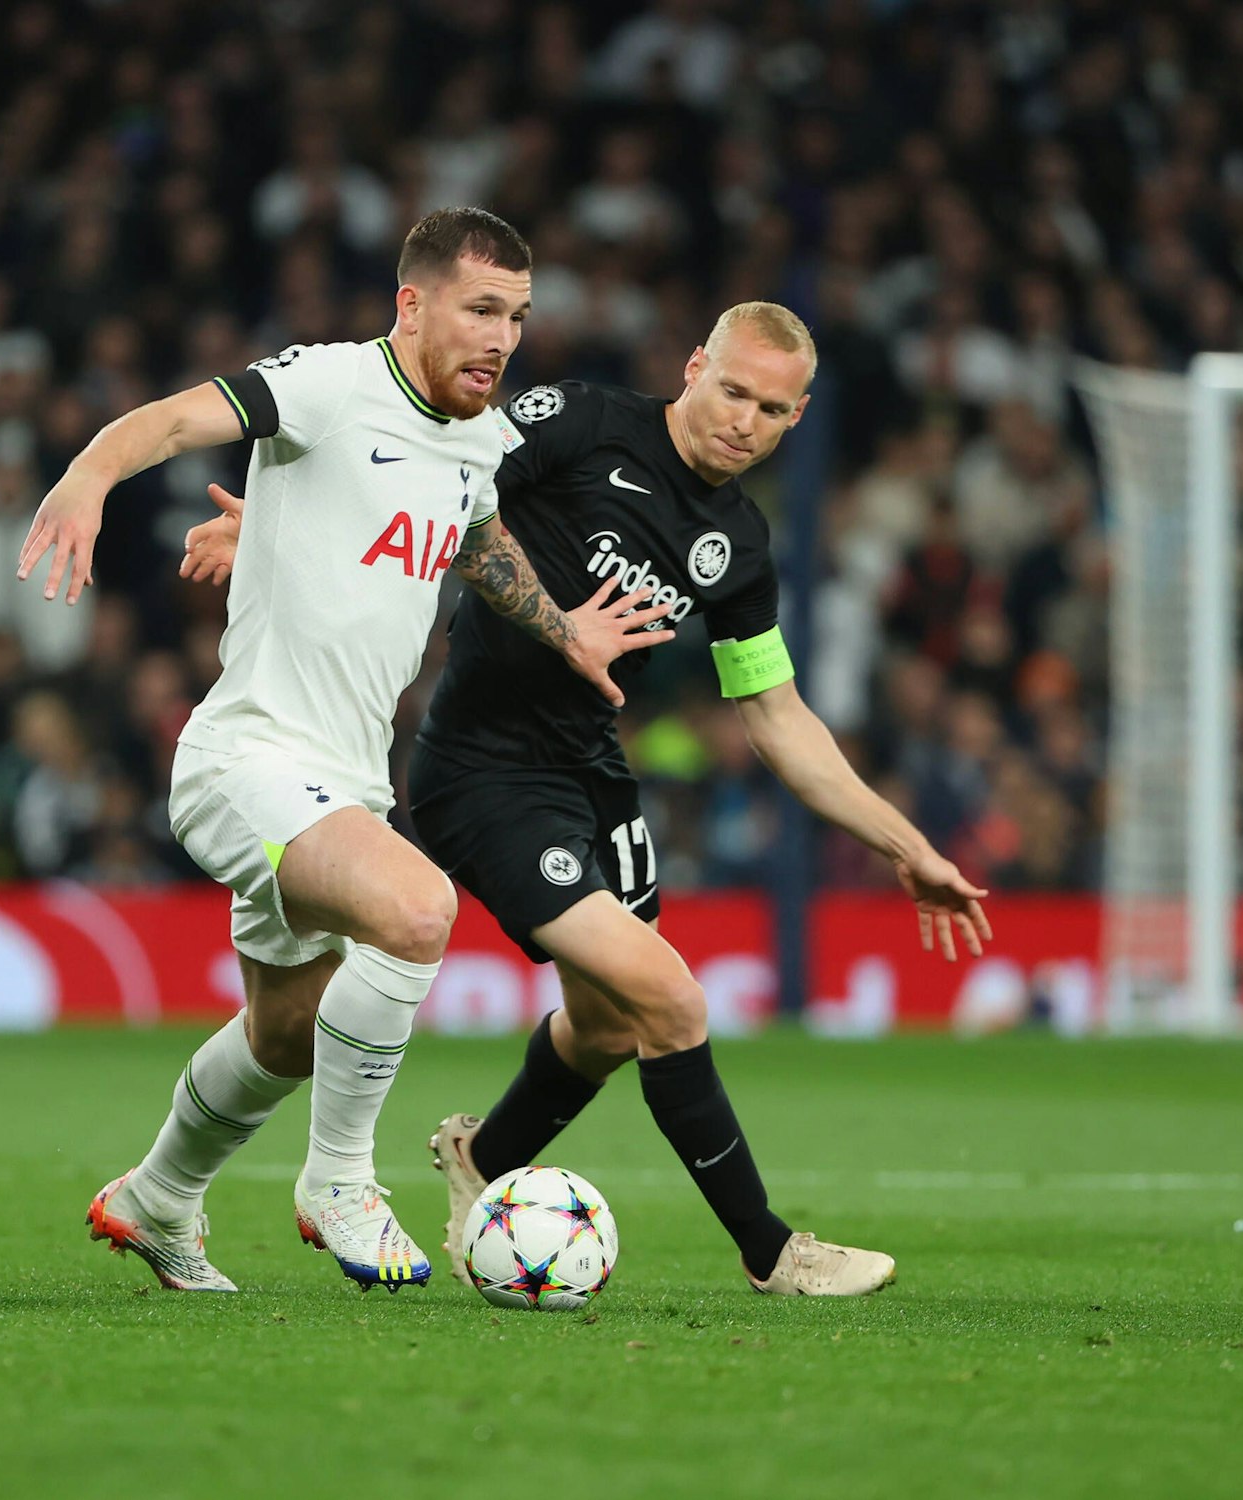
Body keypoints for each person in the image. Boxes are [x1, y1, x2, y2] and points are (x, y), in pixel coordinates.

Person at [184, 302, 992, 1297]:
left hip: (590, 776)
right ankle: (771, 1253)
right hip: (481, 772)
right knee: (671, 996)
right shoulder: (580, 420)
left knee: (607, 1026)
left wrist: (903, 845)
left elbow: (777, 719)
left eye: (770, 410)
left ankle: (487, 1158)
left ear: (797, 417)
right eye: (731, 389)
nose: (742, 420)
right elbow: (432, 477)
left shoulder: (738, 545)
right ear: (694, 366)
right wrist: (280, 524)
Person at [18, 207, 668, 1293]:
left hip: (341, 784)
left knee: (283, 1034)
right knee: (417, 911)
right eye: (478, 310)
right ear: (411, 304)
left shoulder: (473, 435)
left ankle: (155, 1199)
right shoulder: (329, 382)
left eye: (515, 315)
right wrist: (88, 476)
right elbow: (181, 419)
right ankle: (337, 1180)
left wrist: (564, 627)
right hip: (248, 757)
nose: (500, 338)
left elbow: (472, 537)